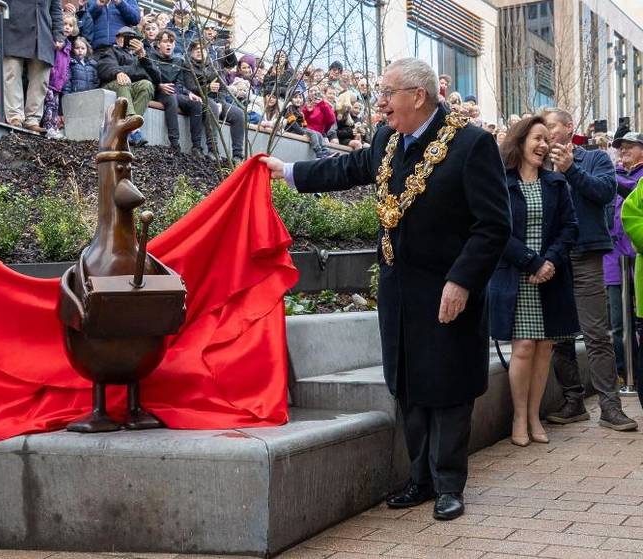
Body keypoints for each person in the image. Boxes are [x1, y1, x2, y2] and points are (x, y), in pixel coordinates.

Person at [262, 58, 511, 521]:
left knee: (449, 386)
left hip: (448, 291)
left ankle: (450, 484)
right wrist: (288, 172)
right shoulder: (387, 138)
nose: (379, 103)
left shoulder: (472, 145)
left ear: (417, 96)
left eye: (387, 92)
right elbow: (350, 168)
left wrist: (461, 280)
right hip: (399, 290)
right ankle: (419, 479)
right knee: (409, 384)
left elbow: (494, 225)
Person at [542, 107, 638, 431]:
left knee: (596, 333)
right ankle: (573, 401)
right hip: (554, 258)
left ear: (569, 128)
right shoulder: (538, 164)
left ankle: (610, 407)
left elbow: (604, 193)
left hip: (586, 255)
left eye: (551, 126)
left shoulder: (595, 159)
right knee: (560, 335)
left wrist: (570, 170)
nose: (547, 132)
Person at [489, 116, 580, 447]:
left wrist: (549, 262)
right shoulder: (501, 182)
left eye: (547, 140)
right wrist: (532, 261)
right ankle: (518, 417)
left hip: (549, 278)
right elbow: (495, 230)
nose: (543, 145)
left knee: (544, 348)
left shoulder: (557, 184)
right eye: (537, 138)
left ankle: (533, 417)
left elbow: (570, 228)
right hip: (517, 276)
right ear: (521, 140)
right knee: (524, 346)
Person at [605, 132, 643, 386]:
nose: (623, 151)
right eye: (621, 147)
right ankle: (624, 373)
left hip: (638, 262)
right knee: (618, 324)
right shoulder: (611, 178)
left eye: (630, 146)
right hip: (614, 261)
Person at [0, 0, 64, 132]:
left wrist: (58, 34)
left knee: (41, 79)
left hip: (42, 31)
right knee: (11, 73)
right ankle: (15, 117)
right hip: (13, 28)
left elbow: (56, 9)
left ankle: (33, 119)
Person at [182, 38, 245, 164]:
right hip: (199, 99)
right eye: (196, 49)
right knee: (212, 107)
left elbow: (222, 87)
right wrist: (207, 88)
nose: (200, 52)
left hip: (217, 100)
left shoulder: (214, 65)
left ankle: (238, 155)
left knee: (239, 114)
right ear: (191, 52)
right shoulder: (187, 65)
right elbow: (190, 87)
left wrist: (221, 102)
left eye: (202, 49)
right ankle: (213, 150)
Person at [97, 26, 159, 146]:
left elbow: (156, 78)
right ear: (117, 39)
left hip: (129, 85)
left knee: (147, 85)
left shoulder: (139, 57)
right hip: (111, 84)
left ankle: (127, 128)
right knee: (124, 81)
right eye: (124, 37)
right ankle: (133, 128)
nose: (127, 40)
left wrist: (143, 57)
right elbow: (104, 68)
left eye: (132, 38)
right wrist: (118, 72)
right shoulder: (111, 51)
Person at [149, 28, 203, 155]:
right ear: (158, 44)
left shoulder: (178, 61)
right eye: (165, 41)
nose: (169, 44)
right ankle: (174, 144)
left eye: (171, 42)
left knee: (196, 103)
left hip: (175, 92)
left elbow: (179, 83)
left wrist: (188, 93)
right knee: (171, 98)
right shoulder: (150, 57)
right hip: (158, 92)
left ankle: (196, 147)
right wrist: (159, 86)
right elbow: (146, 77)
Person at [41, 12, 75, 139]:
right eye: (64, 24)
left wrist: (64, 76)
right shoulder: (56, 42)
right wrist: (52, 71)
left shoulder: (68, 46)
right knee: (49, 104)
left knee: (55, 105)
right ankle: (48, 127)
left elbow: (66, 64)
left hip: (58, 83)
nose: (67, 27)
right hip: (50, 80)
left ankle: (54, 127)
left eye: (70, 25)